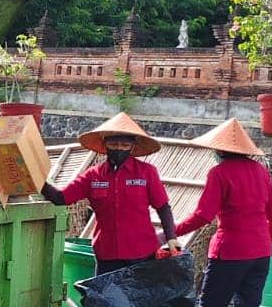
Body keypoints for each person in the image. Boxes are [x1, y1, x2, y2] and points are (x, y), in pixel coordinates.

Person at [174, 120, 272, 307]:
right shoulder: (260, 171)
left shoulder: (219, 173)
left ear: (219, 150)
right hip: (260, 253)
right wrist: (270, 240)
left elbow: (203, 216)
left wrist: (170, 231)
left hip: (229, 251)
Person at [41, 113, 180, 275]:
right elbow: (61, 198)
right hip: (107, 255)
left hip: (142, 253)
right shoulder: (92, 176)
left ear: (132, 147)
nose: (119, 149)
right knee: (104, 300)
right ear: (105, 145)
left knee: (138, 300)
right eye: (114, 144)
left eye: (124, 145)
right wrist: (35, 180)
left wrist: (172, 238)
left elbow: (163, 207)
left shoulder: (147, 172)